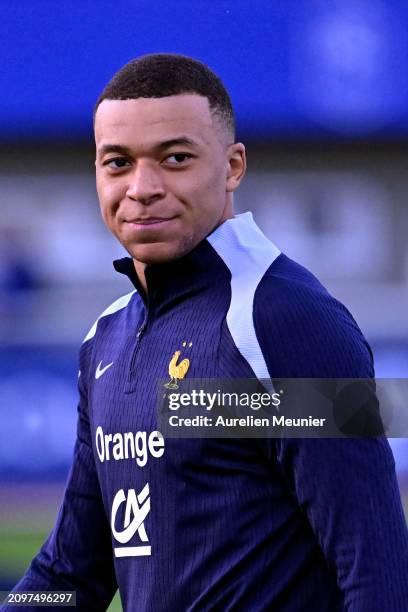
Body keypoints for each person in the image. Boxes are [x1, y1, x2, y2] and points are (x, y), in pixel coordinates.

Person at [3, 53, 408, 612]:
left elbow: (377, 568)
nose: (142, 187)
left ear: (233, 166)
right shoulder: (106, 340)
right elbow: (70, 577)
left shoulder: (286, 320)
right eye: (117, 162)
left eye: (174, 158)